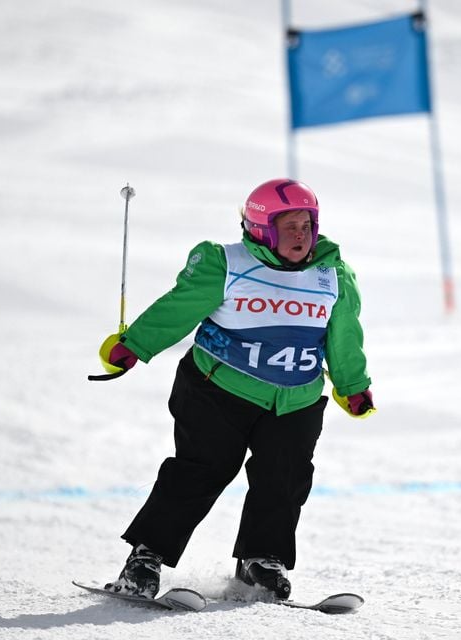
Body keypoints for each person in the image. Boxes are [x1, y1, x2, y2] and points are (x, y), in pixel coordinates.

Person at [97, 177, 374, 600]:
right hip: (216, 390)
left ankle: (260, 561)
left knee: (285, 479)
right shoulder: (226, 263)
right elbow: (179, 308)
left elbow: (343, 335)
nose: (301, 235)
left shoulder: (332, 274)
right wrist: (134, 344)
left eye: (307, 224)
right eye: (289, 226)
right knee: (201, 470)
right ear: (263, 229)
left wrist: (352, 386)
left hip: (295, 400)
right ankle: (145, 558)